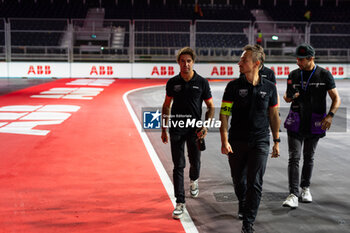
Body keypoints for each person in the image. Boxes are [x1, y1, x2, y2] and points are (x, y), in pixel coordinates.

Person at [220, 44, 280, 233]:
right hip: (236, 140)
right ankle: (243, 203)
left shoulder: (270, 88)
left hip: (260, 141)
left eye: (243, 60)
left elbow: (274, 116)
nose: (239, 63)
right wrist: (224, 139)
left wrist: (276, 140)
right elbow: (224, 114)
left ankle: (248, 224)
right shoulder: (233, 86)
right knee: (239, 180)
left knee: (255, 182)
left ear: (256, 63)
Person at [282, 43, 341, 208]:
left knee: (309, 157)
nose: (297, 62)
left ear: (311, 58)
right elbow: (286, 97)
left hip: (315, 121)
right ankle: (293, 194)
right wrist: (290, 96)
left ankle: (305, 188)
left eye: (301, 59)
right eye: (297, 58)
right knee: (294, 157)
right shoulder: (293, 75)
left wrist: (330, 116)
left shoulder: (324, 75)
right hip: (295, 120)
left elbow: (336, 98)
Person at [161, 47, 214, 219]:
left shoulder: (202, 82)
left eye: (189, 61)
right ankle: (180, 202)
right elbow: (166, 105)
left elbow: (211, 106)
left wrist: (205, 125)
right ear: (178, 63)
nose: (186, 64)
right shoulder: (172, 82)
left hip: (195, 128)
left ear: (193, 62)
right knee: (178, 165)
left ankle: (194, 180)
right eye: (182, 61)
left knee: (195, 161)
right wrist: (163, 128)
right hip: (176, 127)